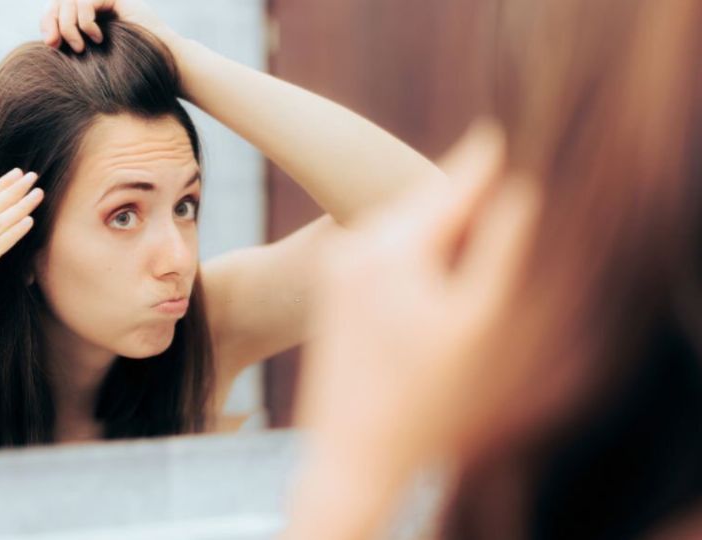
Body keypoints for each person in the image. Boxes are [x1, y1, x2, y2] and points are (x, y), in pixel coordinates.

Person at [0, 2, 442, 448]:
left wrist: (184, 59)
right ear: (23, 243)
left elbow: (429, 223)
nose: (177, 260)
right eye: (124, 215)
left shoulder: (207, 329)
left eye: (184, 206)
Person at [285, 0, 702, 538]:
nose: (174, 256)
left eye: (187, 204)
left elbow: (400, 202)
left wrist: (346, 488)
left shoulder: (213, 312)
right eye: (133, 213)